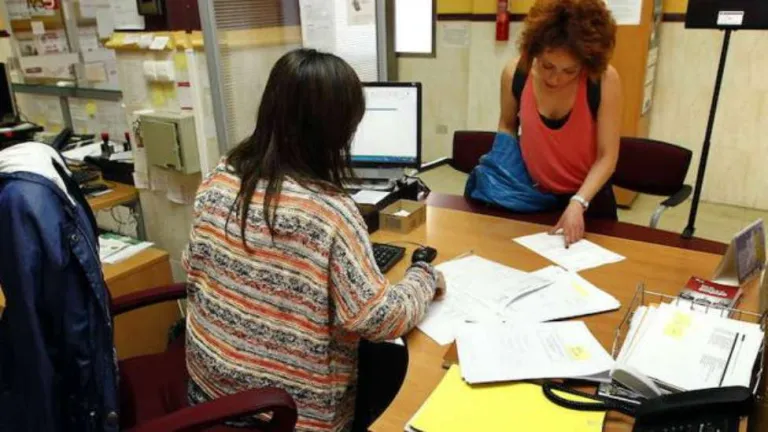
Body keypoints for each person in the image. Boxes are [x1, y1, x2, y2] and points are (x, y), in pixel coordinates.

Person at [182, 48, 444, 432]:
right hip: (288, 418)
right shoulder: (329, 212)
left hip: (207, 399)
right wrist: (424, 276)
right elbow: (380, 318)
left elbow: (192, 264)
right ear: (336, 132)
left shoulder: (220, 179)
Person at [0, 141, 119, 431]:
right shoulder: (25, 191)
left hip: (83, 392)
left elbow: (36, 336)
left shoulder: (23, 199)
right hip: (84, 386)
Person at [498, 0, 622, 246]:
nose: (555, 78)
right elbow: (507, 125)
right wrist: (507, 170)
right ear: (535, 50)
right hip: (534, 196)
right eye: (547, 66)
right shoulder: (516, 73)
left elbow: (607, 156)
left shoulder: (603, 80)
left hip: (589, 199)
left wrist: (579, 202)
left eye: (569, 71)